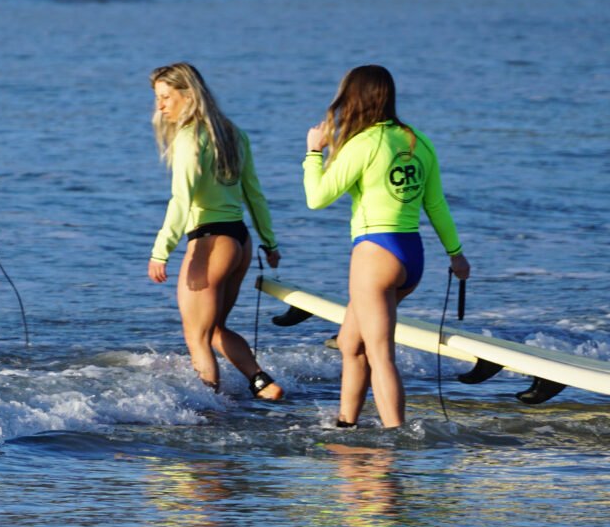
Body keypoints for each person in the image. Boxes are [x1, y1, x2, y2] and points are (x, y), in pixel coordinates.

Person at [304, 64, 470, 429]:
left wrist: (314, 153)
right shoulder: (417, 140)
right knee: (351, 343)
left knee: (381, 354)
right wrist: (456, 254)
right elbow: (436, 205)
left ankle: (396, 437)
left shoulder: (363, 144)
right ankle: (346, 424)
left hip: (375, 255)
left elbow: (316, 198)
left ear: (353, 98)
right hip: (411, 256)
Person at [147, 62, 284, 399]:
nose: (160, 106)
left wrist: (161, 251)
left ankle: (209, 413)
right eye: (157, 98)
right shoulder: (233, 133)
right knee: (214, 329)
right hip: (240, 241)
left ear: (189, 95)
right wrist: (269, 242)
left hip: (210, 243)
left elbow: (182, 199)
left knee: (197, 337)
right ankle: (263, 384)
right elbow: (254, 194)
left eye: (166, 97)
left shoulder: (189, 138)